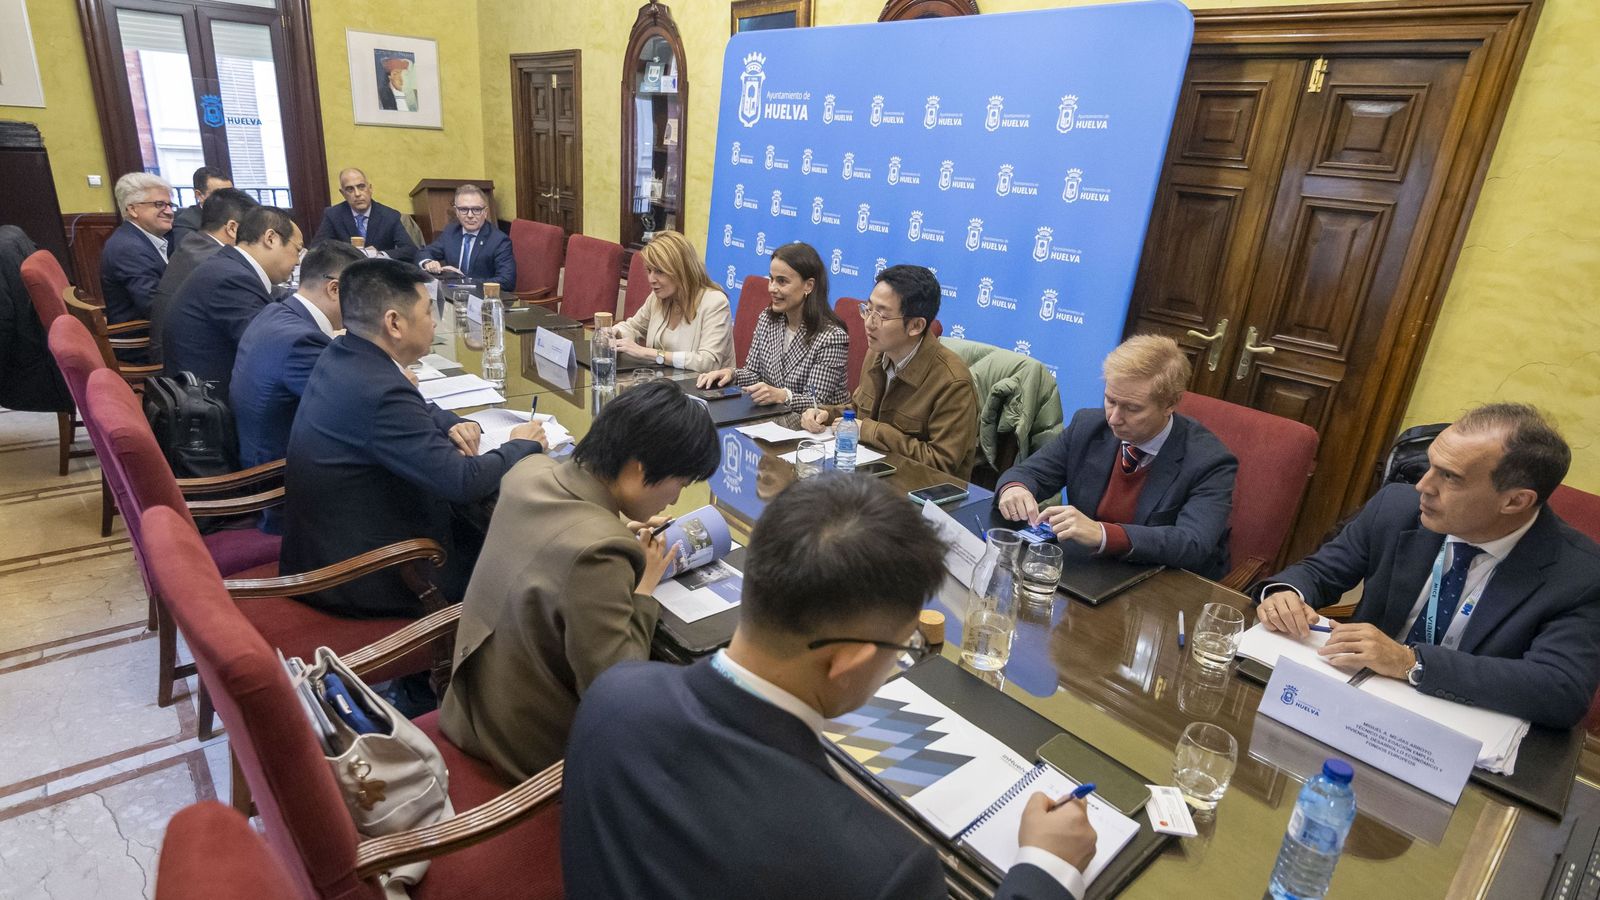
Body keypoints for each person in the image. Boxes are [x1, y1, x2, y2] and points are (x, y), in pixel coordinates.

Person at [562, 475, 1098, 899]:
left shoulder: (614, 695)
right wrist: (1046, 870)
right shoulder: (882, 870)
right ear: (848, 661)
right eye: (900, 646)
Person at [440, 379, 720, 781]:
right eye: (680, 483)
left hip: (473, 702)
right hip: (528, 755)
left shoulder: (530, 471)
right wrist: (644, 590)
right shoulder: (599, 552)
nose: (675, 501)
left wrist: (616, 520)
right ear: (639, 469)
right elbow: (617, 691)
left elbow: (566, 525)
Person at [1256, 403, 1600, 728]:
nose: (1423, 485)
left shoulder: (1579, 574)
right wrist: (1286, 593)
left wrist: (1410, 663)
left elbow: (1562, 688)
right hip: (1347, 701)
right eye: (1430, 464)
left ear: (1514, 501)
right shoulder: (1396, 507)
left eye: (1449, 477)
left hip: (1458, 728)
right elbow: (1319, 573)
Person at [279, 258, 546, 620]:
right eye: (427, 311)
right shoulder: (379, 391)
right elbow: (462, 481)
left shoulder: (345, 355)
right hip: (367, 574)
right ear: (394, 323)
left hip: (334, 542)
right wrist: (521, 444)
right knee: (523, 563)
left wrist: (445, 424)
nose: (434, 322)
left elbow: (404, 416)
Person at [994, 335, 1236, 579]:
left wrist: (1103, 534)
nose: (1114, 418)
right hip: (1090, 571)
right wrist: (1015, 489)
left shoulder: (1210, 461)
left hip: (1163, 582)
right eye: (1110, 400)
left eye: (1132, 408)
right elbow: (1029, 473)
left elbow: (1192, 543)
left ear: (1169, 404)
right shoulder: (1088, 426)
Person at [801, 264, 978, 479]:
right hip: (872, 480)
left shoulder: (952, 382)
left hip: (922, 496)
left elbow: (940, 463)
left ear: (916, 326)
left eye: (882, 316)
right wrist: (827, 414)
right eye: (867, 309)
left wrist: (870, 431)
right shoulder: (877, 353)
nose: (868, 323)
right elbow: (858, 409)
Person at [230, 241, 365, 479]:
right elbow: (360, 408)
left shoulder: (277, 312)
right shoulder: (301, 341)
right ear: (334, 289)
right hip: (282, 480)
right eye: (364, 295)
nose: (367, 307)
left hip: (264, 454)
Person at [162, 206, 301, 395]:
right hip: (212, 403)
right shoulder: (232, 279)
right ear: (271, 238)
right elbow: (269, 347)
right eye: (297, 250)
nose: (298, 261)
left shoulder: (230, 266)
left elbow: (273, 294)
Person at [696, 241, 848, 413]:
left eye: (782, 282)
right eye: (771, 279)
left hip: (815, 429)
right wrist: (731, 374)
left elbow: (817, 403)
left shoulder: (831, 336)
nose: (771, 288)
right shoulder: (767, 319)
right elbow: (754, 374)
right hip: (772, 417)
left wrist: (783, 396)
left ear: (809, 286)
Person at [148, 187, 257, 362]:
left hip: (177, 350)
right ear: (232, 228)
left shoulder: (195, 244)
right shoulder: (217, 261)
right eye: (254, 231)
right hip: (187, 367)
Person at [612, 231, 734, 372]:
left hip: (701, 390)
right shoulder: (657, 298)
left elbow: (707, 362)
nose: (651, 279)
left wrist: (648, 353)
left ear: (681, 270)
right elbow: (633, 327)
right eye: (649, 270)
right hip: (663, 385)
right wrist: (616, 333)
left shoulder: (715, 303)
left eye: (659, 271)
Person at [100, 172, 173, 330]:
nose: (169, 211)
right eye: (159, 204)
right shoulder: (129, 249)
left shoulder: (136, 238)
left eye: (170, 205)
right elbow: (154, 307)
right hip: (141, 342)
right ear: (132, 209)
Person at [311, 167, 418, 261]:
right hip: (347, 274)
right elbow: (316, 249)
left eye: (361, 187)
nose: (357, 194)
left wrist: (379, 255)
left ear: (370, 188)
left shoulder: (389, 215)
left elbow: (410, 250)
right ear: (343, 193)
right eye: (350, 189)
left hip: (380, 274)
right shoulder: (333, 215)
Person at [417, 184, 514, 286]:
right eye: (464, 210)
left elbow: (507, 281)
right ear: (457, 212)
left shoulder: (499, 240)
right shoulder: (451, 231)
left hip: (482, 297)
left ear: (485, 212)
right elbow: (424, 252)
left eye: (476, 209)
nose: (470, 215)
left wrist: (464, 280)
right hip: (452, 295)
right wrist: (428, 263)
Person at [168, 166, 232, 249]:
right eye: (220, 195)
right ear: (199, 195)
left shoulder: (239, 214)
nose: (230, 199)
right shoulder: (186, 223)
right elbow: (195, 257)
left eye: (231, 193)